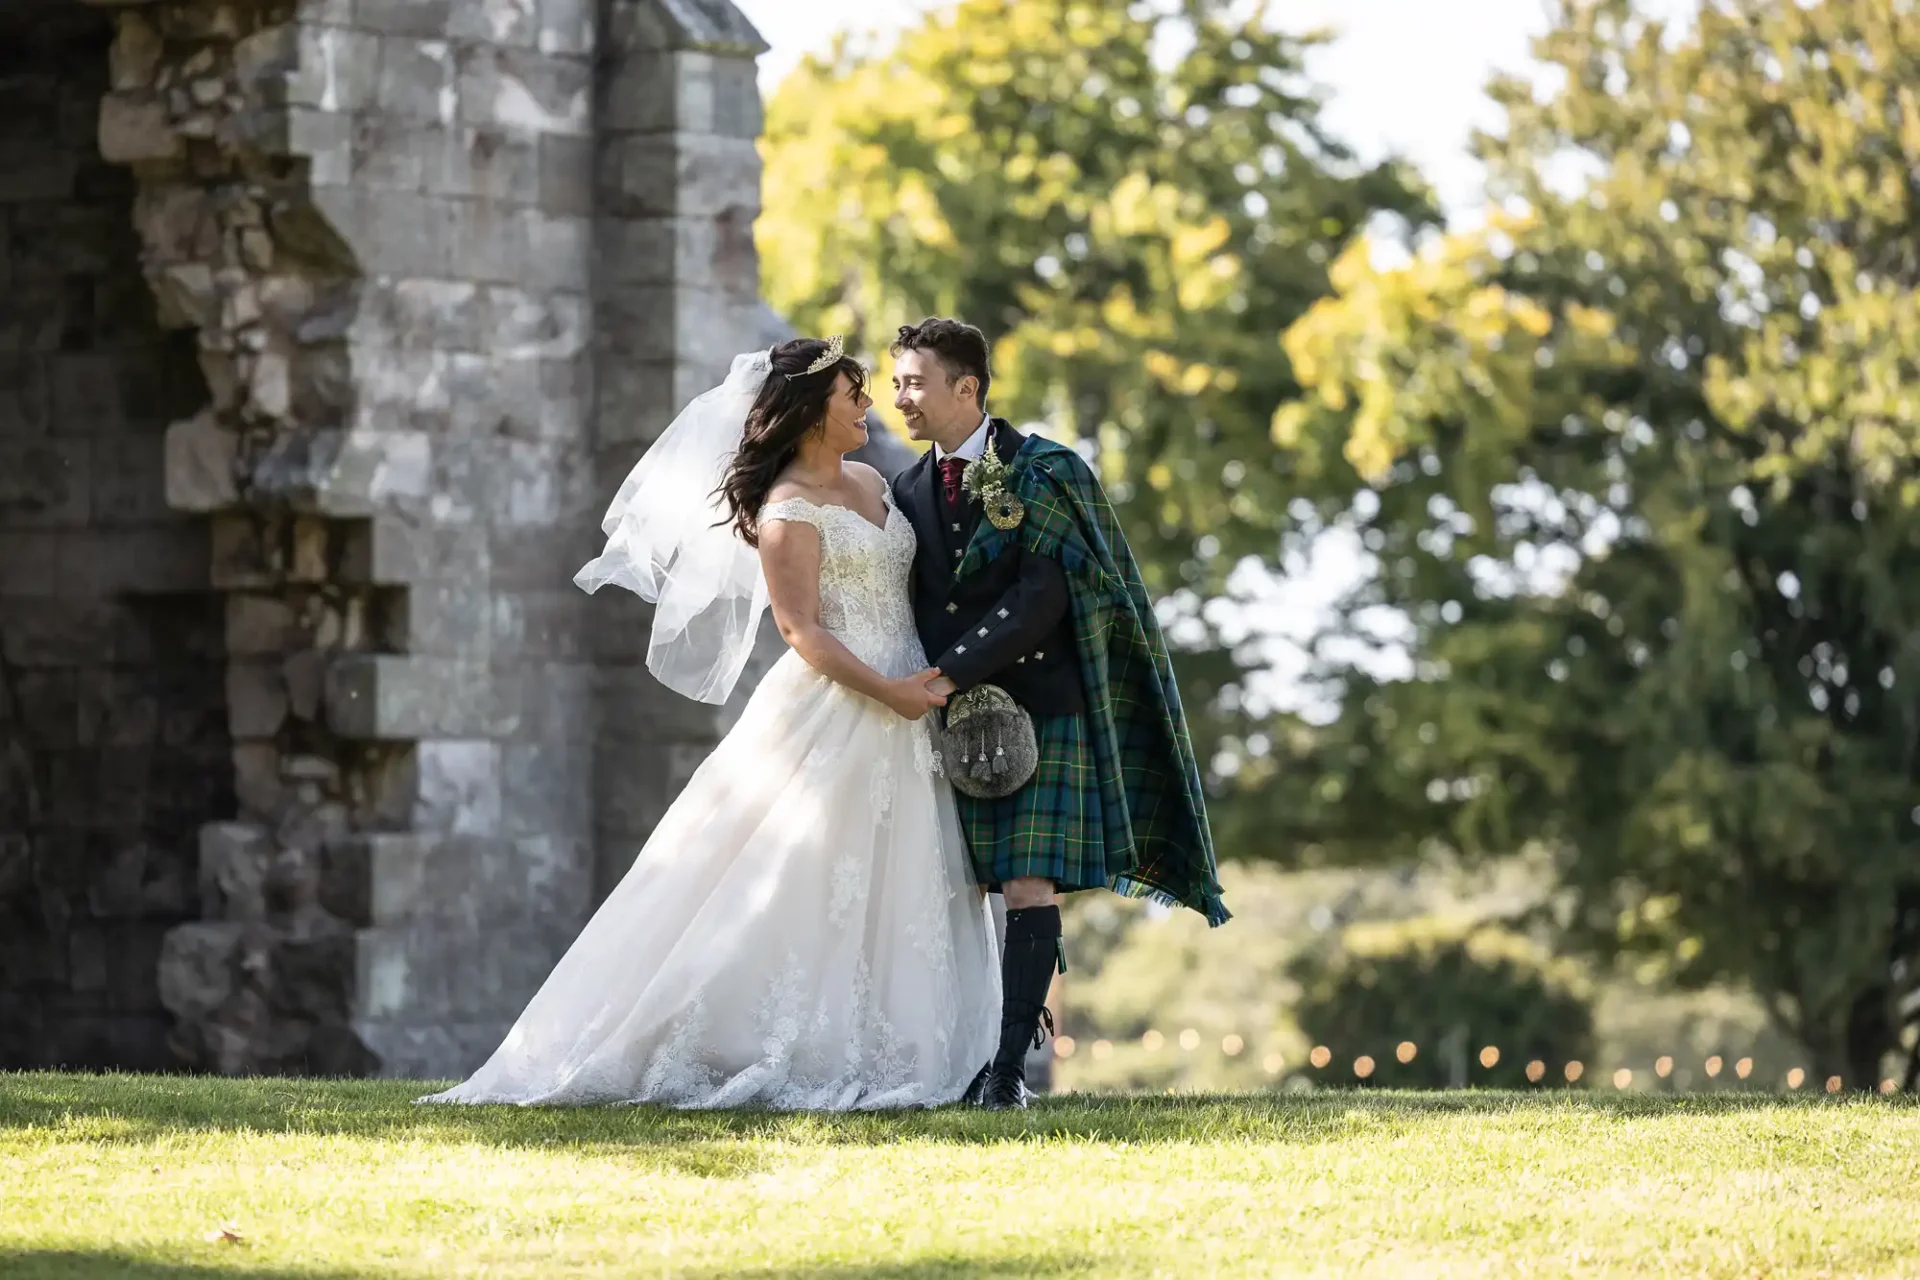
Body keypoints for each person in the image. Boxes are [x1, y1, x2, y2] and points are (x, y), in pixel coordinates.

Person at [419, 337, 999, 1110]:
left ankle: (914, 1046)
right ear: (808, 410)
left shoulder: (873, 481)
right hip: (845, 700)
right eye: (852, 393)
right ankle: (742, 1037)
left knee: (901, 879)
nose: (869, 405)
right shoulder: (787, 508)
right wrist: (888, 691)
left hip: (909, 700)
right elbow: (803, 632)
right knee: (796, 878)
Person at [889, 317, 1229, 1111]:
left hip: (1040, 706)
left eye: (914, 382)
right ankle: (951, 1054)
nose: (900, 398)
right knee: (946, 881)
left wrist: (949, 673)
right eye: (897, 382)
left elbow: (1044, 596)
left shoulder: (1044, 470)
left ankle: (1006, 1070)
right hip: (942, 716)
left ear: (965, 387)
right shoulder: (906, 489)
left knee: (1027, 880)